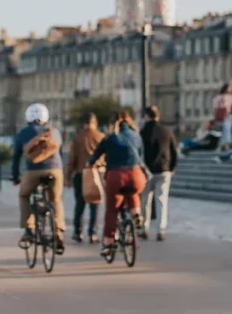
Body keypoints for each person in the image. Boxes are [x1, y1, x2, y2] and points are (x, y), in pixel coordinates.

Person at [89, 111, 147, 254]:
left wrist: (90, 165)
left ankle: (109, 244)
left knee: (112, 210)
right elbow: (141, 155)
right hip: (136, 175)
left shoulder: (110, 138)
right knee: (132, 192)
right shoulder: (136, 136)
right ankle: (136, 213)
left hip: (116, 176)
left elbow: (95, 156)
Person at [11, 103, 66, 254]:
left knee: (24, 195)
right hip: (55, 170)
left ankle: (28, 229)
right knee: (55, 199)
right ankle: (58, 232)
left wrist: (15, 177)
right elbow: (59, 154)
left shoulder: (23, 133)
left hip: (33, 171)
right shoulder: (54, 132)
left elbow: (16, 157)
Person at [140, 105, 177, 241]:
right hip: (164, 169)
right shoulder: (166, 131)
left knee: (145, 200)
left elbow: (140, 152)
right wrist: (172, 167)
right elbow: (174, 150)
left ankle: (145, 228)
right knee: (162, 200)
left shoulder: (144, 132)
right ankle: (161, 230)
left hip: (148, 171)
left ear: (147, 116)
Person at [65, 112, 103, 244]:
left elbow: (71, 160)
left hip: (81, 174)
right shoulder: (101, 137)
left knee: (79, 205)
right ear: (95, 122)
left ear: (84, 123)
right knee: (95, 205)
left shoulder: (78, 138)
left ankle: (77, 232)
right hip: (97, 174)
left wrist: (68, 177)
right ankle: (93, 233)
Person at [212, 84, 232, 152]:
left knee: (226, 129)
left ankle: (224, 144)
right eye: (229, 88)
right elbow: (215, 107)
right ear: (225, 88)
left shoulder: (231, 97)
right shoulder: (219, 97)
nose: (230, 89)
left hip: (227, 116)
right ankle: (226, 143)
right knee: (226, 130)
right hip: (223, 115)